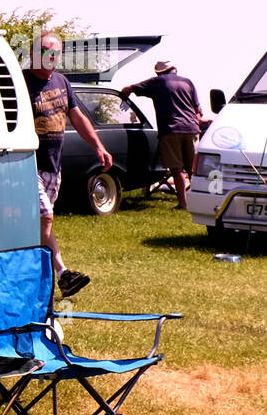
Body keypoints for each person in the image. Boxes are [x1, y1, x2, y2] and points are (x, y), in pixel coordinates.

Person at [24, 33, 113, 297]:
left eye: (56, 53)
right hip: (27, 164)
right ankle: (62, 272)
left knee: (37, 226)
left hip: (53, 167)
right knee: (45, 216)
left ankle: (38, 276)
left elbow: (77, 116)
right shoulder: (20, 81)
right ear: (33, 53)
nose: (52, 57)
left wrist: (98, 145)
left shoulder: (62, 82)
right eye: (46, 51)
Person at [121, 61, 208, 211]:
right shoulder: (188, 82)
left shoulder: (157, 82)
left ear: (159, 72)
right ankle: (201, 202)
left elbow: (129, 88)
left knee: (176, 169)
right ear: (175, 69)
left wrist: (123, 96)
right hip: (191, 129)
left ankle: (184, 203)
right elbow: (198, 112)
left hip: (170, 130)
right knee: (192, 169)